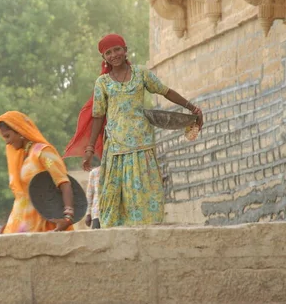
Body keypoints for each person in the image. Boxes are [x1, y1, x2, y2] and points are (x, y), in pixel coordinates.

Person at [65, 34, 203, 228]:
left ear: (125, 49)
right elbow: (98, 116)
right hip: (116, 148)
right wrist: (89, 149)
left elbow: (165, 91)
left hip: (142, 144)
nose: (114, 55)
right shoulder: (102, 83)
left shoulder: (141, 74)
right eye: (108, 52)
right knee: (113, 197)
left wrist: (191, 107)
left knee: (145, 192)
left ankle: (147, 234)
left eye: (117, 49)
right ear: (104, 57)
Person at [0, 111, 75, 233]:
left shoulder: (43, 153)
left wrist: (68, 217)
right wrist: (8, 224)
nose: (7, 142)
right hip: (19, 224)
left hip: (43, 222)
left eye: (8, 136)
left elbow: (63, 182)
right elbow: (23, 196)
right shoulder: (19, 158)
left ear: (20, 131)